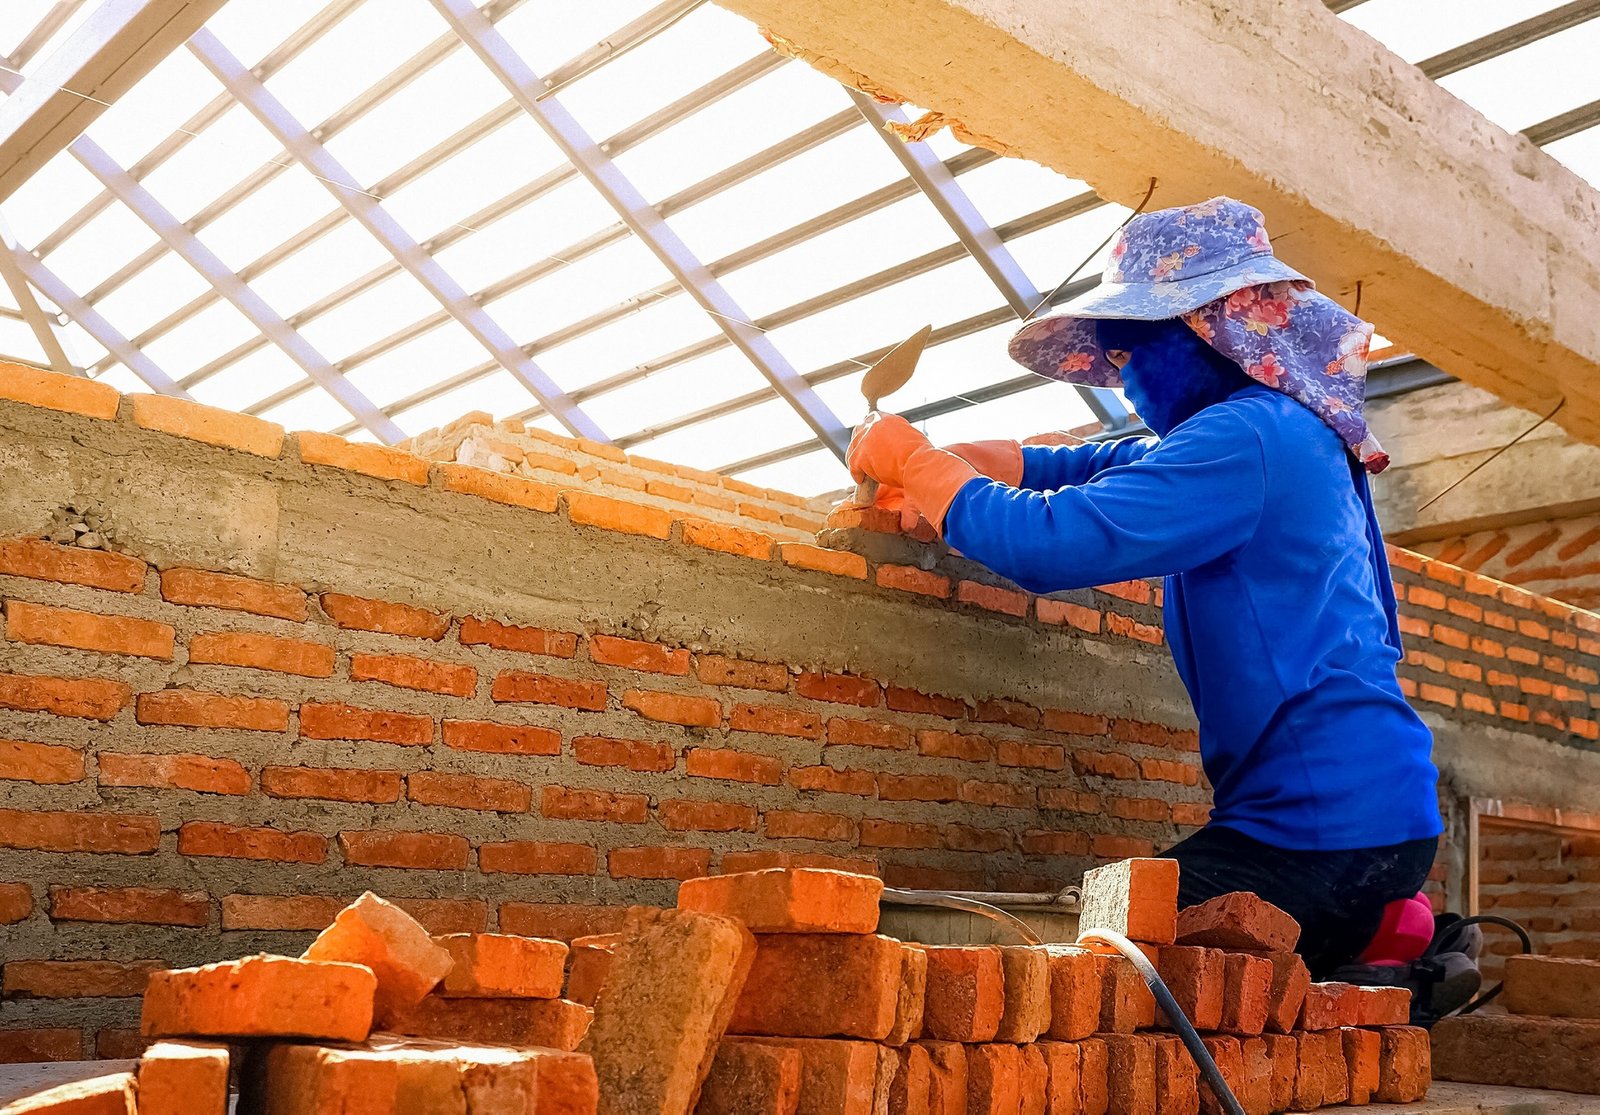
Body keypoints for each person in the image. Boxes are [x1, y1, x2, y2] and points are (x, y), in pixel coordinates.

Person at [847, 197, 1444, 979]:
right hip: (1367, 813)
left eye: (1130, 356)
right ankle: (1382, 936)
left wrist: (915, 458)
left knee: (1095, 956)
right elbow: (1100, 464)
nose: (1125, 383)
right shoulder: (1279, 425)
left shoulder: (1245, 437)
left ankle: (1376, 951)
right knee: (1153, 931)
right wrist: (982, 461)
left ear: (1207, 326)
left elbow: (1047, 543)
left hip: (1320, 830)